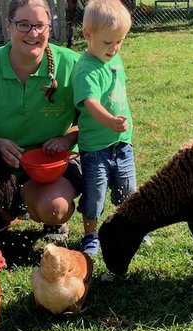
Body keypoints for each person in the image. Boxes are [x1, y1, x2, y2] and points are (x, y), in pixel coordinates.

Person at [0, 0, 82, 242]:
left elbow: (91, 122)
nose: (33, 34)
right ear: (9, 26)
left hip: (52, 165)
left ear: (50, 27)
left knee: (54, 208)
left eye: (40, 25)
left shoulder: (73, 66)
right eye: (24, 25)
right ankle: (12, 204)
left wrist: (67, 138)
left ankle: (45, 216)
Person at [72, 0, 139, 256]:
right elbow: (90, 103)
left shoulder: (115, 60)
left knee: (128, 190)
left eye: (119, 41)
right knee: (94, 194)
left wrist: (120, 127)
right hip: (96, 147)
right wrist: (110, 121)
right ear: (88, 35)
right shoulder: (86, 69)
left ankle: (131, 227)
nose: (114, 49)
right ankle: (90, 235)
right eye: (108, 42)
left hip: (122, 141)